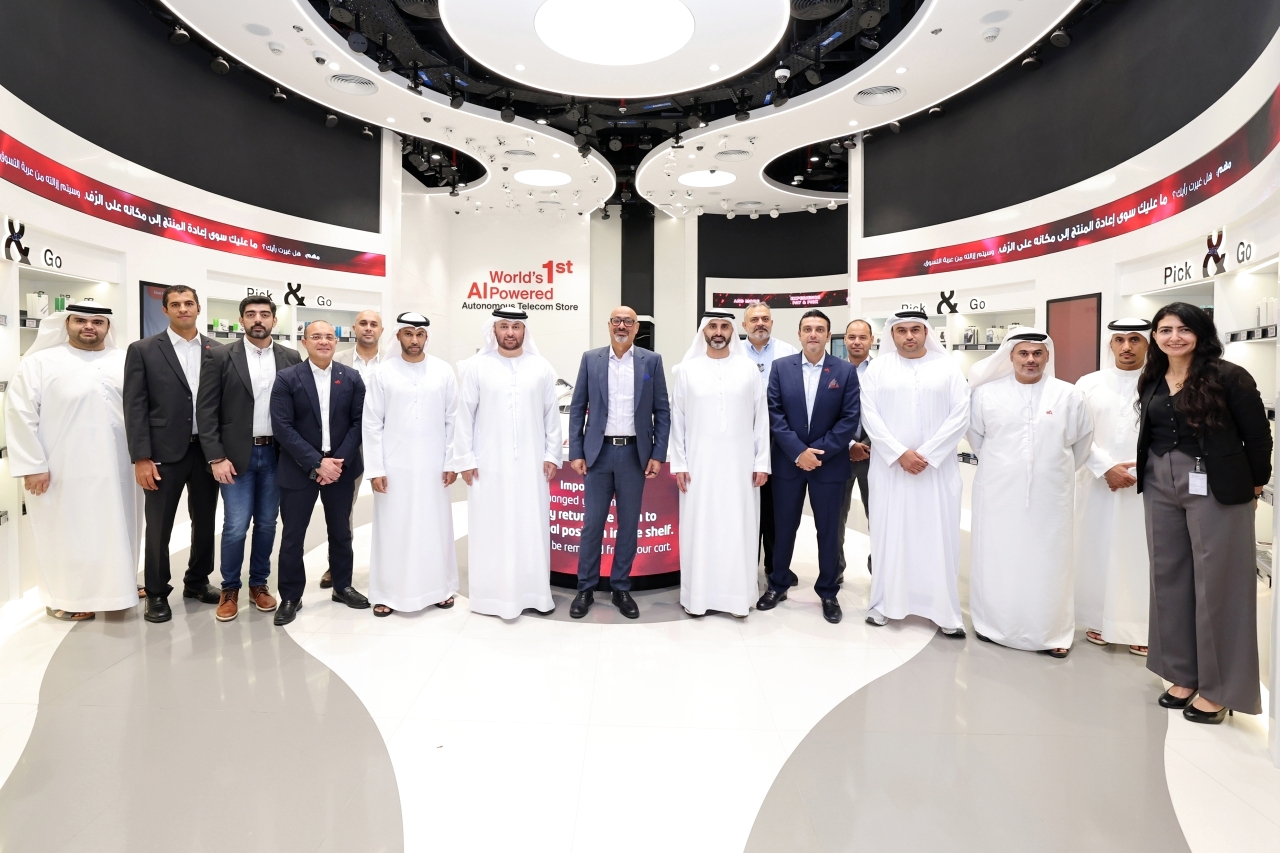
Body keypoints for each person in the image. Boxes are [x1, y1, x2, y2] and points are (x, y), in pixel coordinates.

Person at [1136, 302, 1271, 723]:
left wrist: (1255, 484)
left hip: (1216, 483)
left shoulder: (1230, 376)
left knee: (1220, 584)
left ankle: (1221, 688)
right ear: (1155, 336)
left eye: (1184, 329)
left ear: (1201, 333)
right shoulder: (1153, 375)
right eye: (1165, 329)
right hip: (1160, 481)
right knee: (1168, 575)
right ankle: (1183, 672)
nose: (1174, 337)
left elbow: (1258, 435)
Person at [5, 303, 140, 621]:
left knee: (118, 528)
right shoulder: (39, 362)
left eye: (97, 321)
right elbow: (20, 414)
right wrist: (33, 465)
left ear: (108, 327)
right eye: (80, 320)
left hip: (121, 467)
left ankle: (119, 588)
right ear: (66, 324)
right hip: (62, 468)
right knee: (69, 533)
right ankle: (65, 597)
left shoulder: (125, 361)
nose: (89, 326)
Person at [967, 328, 1092, 658]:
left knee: (1049, 562)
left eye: (1038, 353)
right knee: (998, 558)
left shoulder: (1068, 395)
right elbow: (977, 439)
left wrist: (1048, 472)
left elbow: (1081, 443)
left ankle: (1052, 632)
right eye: (1023, 353)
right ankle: (992, 625)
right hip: (997, 494)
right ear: (1010, 356)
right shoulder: (985, 395)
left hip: (1051, 497)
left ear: (1048, 356)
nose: (1030, 360)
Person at [860, 311, 970, 636]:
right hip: (891, 471)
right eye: (902, 331)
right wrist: (899, 454)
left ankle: (943, 611)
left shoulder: (948, 367)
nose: (909, 336)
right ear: (892, 335)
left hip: (936, 472)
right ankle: (885, 605)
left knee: (938, 536)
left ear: (926, 333)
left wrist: (928, 454)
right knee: (890, 535)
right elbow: (869, 416)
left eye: (916, 330)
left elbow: (961, 414)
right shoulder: (878, 369)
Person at [452, 307, 562, 619]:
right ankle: (490, 598)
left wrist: (551, 454)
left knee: (530, 527)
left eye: (516, 327)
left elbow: (551, 416)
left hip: (531, 465)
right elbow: (464, 416)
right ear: (494, 330)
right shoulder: (477, 367)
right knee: (490, 528)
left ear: (525, 331)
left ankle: (534, 594)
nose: (510, 333)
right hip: (488, 465)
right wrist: (465, 459)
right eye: (504, 326)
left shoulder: (541, 367)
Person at [198, 296, 301, 622]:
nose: (259, 319)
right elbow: (206, 410)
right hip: (235, 457)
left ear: (274, 320)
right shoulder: (220, 355)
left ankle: (259, 583)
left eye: (265, 314)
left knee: (268, 523)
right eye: (251, 314)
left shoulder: (291, 357)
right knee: (235, 526)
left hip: (276, 455)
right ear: (241, 320)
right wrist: (216, 457)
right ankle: (230, 588)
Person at [123, 285, 221, 622]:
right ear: (164, 310)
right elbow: (135, 406)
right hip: (163, 453)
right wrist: (141, 457)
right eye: (175, 304)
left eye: (189, 303)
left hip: (207, 451)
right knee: (159, 526)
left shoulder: (217, 350)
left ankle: (197, 581)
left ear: (198, 308)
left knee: (205, 521)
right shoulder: (143, 350)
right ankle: (156, 592)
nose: (183, 309)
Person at [756, 309, 861, 624]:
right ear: (799, 334)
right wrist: (798, 452)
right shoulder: (780, 368)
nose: (813, 334)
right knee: (783, 527)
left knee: (828, 531)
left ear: (828, 335)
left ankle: (828, 591)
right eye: (807, 329)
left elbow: (849, 418)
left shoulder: (844, 371)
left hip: (829, 465)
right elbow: (774, 413)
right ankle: (778, 585)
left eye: (819, 329)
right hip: (788, 464)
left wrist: (819, 453)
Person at [567, 305, 671, 619]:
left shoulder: (651, 361)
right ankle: (585, 588)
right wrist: (576, 451)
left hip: (634, 455)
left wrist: (658, 454)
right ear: (609, 325)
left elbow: (662, 411)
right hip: (598, 455)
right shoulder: (591, 359)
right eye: (617, 320)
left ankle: (620, 587)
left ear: (637, 327)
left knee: (628, 525)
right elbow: (577, 407)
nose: (622, 325)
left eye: (628, 321)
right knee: (592, 524)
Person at [670, 312, 770, 617]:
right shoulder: (687, 371)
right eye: (712, 326)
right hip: (698, 467)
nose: (718, 331)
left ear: (732, 331)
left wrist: (762, 462)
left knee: (738, 528)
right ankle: (697, 598)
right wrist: (680, 463)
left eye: (724, 326)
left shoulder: (748, 369)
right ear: (703, 331)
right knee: (700, 529)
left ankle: (737, 598)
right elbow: (677, 420)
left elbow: (761, 419)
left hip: (741, 467)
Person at [270, 320, 369, 626]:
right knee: (293, 536)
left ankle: (342, 586)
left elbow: (359, 422)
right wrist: (316, 462)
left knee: (341, 531)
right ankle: (290, 596)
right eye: (316, 336)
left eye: (329, 336)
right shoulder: (287, 378)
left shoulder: (351, 377)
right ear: (304, 342)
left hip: (341, 469)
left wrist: (337, 462)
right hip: (298, 468)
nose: (323, 341)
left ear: (336, 342)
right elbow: (282, 426)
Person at [363, 313, 459, 616]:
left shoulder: (443, 371)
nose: (414, 340)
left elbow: (453, 420)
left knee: (434, 526)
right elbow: (372, 423)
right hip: (394, 467)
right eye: (408, 333)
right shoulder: (383, 373)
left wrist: (451, 461)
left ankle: (439, 589)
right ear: (398, 336)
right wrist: (376, 469)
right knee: (393, 528)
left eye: (419, 334)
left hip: (434, 466)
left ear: (426, 337)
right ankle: (387, 593)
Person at [1075, 319, 1153, 656]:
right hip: (1098, 482)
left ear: (1147, 344)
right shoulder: (1088, 383)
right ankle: (1099, 619)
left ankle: (1141, 626)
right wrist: (1106, 468)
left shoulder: (1163, 382)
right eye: (1119, 340)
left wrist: (1141, 470)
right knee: (1098, 547)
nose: (1127, 347)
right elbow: (1077, 432)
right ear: (1110, 344)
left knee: (1141, 552)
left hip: (1147, 484)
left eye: (1135, 339)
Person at [740, 302, 800, 587]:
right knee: (745, 506)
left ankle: (776, 567)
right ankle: (744, 568)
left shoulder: (788, 352)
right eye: (754, 319)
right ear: (744, 325)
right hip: (741, 440)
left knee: (777, 508)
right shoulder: (733, 353)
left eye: (765, 318)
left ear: (772, 323)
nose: (760, 323)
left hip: (780, 441)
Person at [327, 309, 385, 590]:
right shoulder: (336, 360)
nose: (368, 328)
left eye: (374, 324)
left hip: (385, 445)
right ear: (354, 328)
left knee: (391, 504)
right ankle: (337, 566)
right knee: (342, 509)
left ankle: (391, 564)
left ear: (381, 330)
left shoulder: (393, 362)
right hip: (347, 445)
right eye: (363, 323)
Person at [838, 319, 875, 580]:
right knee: (835, 518)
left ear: (871, 339)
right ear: (845, 340)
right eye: (852, 337)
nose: (857, 342)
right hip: (839, 455)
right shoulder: (833, 370)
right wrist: (849, 444)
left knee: (879, 517)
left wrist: (868, 445)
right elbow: (826, 413)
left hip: (876, 456)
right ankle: (835, 570)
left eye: (862, 337)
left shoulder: (883, 371)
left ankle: (880, 568)